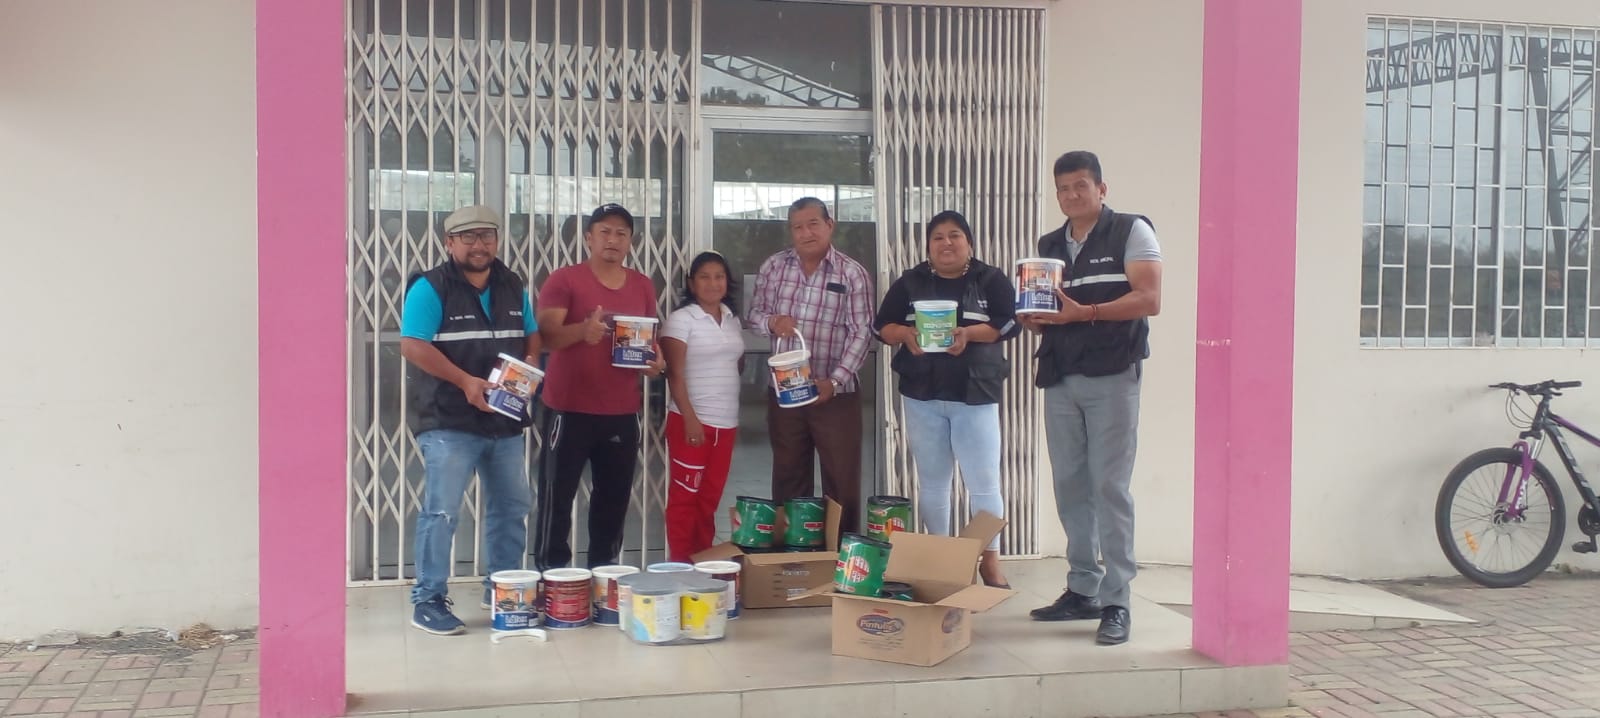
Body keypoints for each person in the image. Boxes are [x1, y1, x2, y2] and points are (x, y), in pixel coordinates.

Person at [1020, 151, 1163, 646]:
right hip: (1060, 375)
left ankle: (1116, 600)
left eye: (1081, 185)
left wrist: (1087, 313)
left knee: (1110, 487)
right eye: (1063, 188)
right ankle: (1083, 588)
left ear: (1102, 188)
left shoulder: (1131, 231)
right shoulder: (1049, 246)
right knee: (1070, 485)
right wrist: (1033, 318)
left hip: (1113, 376)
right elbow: (1050, 311)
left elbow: (1150, 299)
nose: (1071, 195)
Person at [400, 204, 540, 636]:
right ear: (450, 243)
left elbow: (531, 334)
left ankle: (502, 589)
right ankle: (428, 600)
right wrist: (465, 381)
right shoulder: (430, 287)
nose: (479, 245)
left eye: (487, 236)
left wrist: (531, 368)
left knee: (512, 506)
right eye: (468, 237)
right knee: (442, 511)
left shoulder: (511, 284)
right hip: (449, 421)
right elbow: (412, 345)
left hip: (504, 419)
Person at [873, 210, 1018, 589]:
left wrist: (969, 334)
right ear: (928, 246)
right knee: (934, 482)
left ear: (969, 242)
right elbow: (880, 326)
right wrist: (904, 334)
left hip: (976, 394)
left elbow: (1010, 322)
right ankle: (942, 561)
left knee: (984, 482)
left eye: (955, 235)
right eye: (938, 237)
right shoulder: (910, 282)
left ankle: (989, 560)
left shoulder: (990, 279)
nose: (946, 243)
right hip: (922, 394)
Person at [533, 203, 665, 570]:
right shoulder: (564, 280)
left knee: (613, 501)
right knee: (557, 499)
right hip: (569, 409)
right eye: (605, 231)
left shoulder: (642, 284)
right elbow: (545, 337)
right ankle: (552, 578)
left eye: (621, 233)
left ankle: (604, 577)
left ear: (630, 241)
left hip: (622, 411)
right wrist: (582, 331)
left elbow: (647, 342)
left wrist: (656, 364)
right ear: (589, 238)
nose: (613, 239)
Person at [748, 197, 875, 533]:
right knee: (788, 477)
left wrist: (834, 381)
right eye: (798, 227)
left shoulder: (851, 273)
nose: (806, 233)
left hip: (835, 395)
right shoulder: (774, 267)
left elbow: (862, 333)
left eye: (813, 224)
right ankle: (795, 552)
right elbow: (755, 315)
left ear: (830, 225)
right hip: (786, 392)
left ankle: (842, 554)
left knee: (841, 480)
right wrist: (773, 322)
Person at [661, 251, 745, 562]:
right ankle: (680, 565)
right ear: (691, 283)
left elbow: (735, 364)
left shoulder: (731, 319)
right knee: (685, 499)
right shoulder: (682, 319)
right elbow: (674, 374)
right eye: (704, 277)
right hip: (692, 422)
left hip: (726, 424)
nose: (713, 283)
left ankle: (702, 563)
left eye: (719, 276)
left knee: (709, 500)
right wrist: (690, 418)